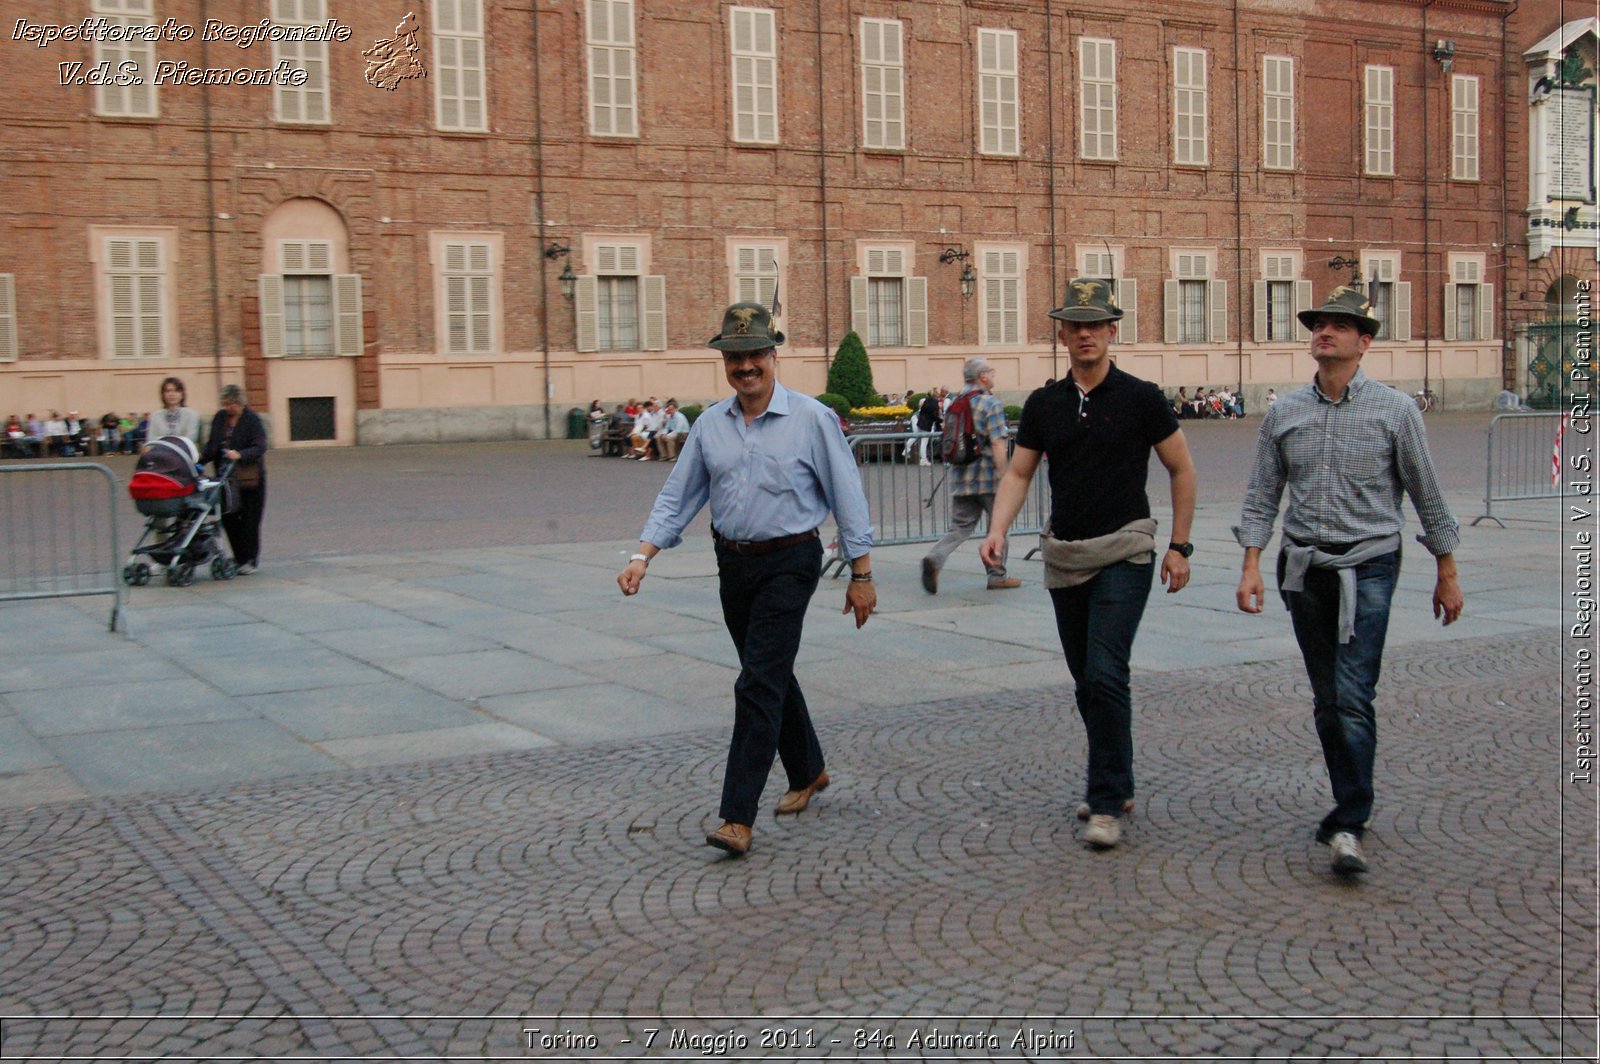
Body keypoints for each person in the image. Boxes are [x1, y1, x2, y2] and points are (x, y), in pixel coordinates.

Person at [617, 301, 875, 857]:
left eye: (755, 353)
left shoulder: (811, 419)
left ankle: (737, 815)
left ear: (773, 355)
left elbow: (847, 496)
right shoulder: (712, 424)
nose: (746, 366)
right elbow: (678, 496)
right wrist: (642, 556)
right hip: (733, 563)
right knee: (768, 670)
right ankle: (809, 769)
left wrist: (862, 572)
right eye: (735, 357)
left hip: (791, 561)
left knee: (756, 682)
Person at [1234, 285, 1463, 876]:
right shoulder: (1285, 411)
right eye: (1319, 324)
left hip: (1370, 564)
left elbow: (1425, 491)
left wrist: (1447, 570)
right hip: (1304, 567)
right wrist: (1252, 563)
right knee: (1328, 698)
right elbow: (1263, 492)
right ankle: (1348, 803)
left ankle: (1348, 818)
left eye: (1339, 326)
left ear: (1365, 342)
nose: (1324, 332)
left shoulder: (1395, 411)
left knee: (1353, 694)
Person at [979, 278, 1197, 852]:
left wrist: (1180, 544)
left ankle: (1104, 803)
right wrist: (997, 529)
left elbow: (1182, 469)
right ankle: (1118, 780)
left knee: (1104, 672)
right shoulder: (1046, 403)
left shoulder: (1142, 397)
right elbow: (1021, 472)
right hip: (1066, 555)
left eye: (1094, 324)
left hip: (1127, 549)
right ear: (1062, 333)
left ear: (1111, 331)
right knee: (1087, 682)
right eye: (1074, 325)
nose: (1084, 334)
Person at [921, 360, 1018, 593]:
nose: (993, 376)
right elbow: (997, 443)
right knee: (998, 526)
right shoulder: (989, 402)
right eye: (991, 372)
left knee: (960, 527)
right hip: (989, 477)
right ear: (982, 376)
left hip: (961, 476)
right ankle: (997, 575)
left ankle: (935, 558)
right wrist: (1006, 476)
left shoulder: (955, 402)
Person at [201, 384, 269, 576]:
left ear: (240, 403)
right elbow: (213, 445)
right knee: (229, 518)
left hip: (250, 479)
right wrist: (199, 459)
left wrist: (240, 454)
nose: (228, 407)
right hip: (225, 478)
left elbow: (260, 446)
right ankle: (239, 558)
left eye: (232, 404)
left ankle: (250, 560)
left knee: (250, 520)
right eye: (225, 404)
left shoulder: (252, 419)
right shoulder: (220, 418)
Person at [146, 376, 202, 450]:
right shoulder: (156, 416)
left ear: (182, 394)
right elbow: (151, 441)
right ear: (163, 395)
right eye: (167, 391)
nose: (171, 394)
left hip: (184, 454)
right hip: (159, 454)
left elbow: (190, 440)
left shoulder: (192, 415)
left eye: (176, 391)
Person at [903, 388, 943, 466]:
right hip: (927, 424)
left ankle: (906, 450)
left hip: (921, 422)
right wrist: (941, 420)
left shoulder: (927, 401)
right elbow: (934, 416)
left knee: (916, 436)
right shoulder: (935, 404)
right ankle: (923, 459)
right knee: (924, 442)